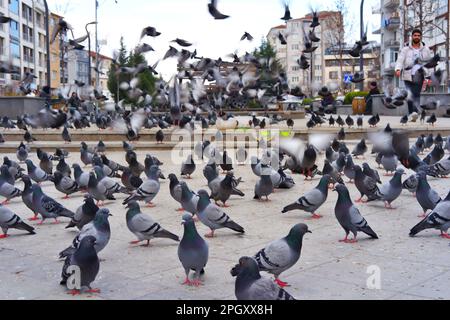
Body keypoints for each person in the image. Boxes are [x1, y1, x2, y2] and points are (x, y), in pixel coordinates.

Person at [395, 29, 433, 114]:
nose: (417, 37)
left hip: (419, 76)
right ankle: (412, 113)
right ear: (412, 37)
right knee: (410, 94)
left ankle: (414, 113)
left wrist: (429, 76)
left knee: (416, 94)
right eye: (415, 35)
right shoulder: (405, 49)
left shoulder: (426, 49)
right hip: (407, 75)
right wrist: (398, 69)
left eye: (418, 36)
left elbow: (429, 63)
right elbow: (400, 60)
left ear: (421, 37)